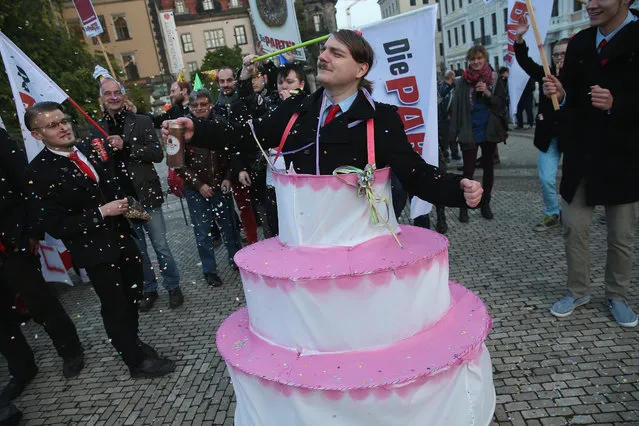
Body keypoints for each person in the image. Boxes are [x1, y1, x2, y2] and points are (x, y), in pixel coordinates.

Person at [164, 30, 483, 212]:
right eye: (324, 50)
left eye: (336, 53)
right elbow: (247, 136)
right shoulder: (296, 110)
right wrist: (198, 129)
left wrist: (458, 189)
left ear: (361, 69)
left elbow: (416, 174)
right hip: (304, 244)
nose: (323, 56)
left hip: (358, 249)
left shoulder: (381, 119)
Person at [24, 101, 176, 376]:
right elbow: (55, 225)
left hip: (123, 239)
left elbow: (114, 187)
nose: (63, 128)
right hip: (94, 251)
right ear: (37, 134)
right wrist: (100, 213)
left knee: (132, 296)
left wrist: (141, 216)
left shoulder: (86, 150)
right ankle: (135, 362)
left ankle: (133, 342)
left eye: (64, 121)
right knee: (115, 306)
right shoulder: (38, 171)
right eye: (52, 125)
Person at [542, 0, 639, 327]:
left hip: (624, 157)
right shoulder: (581, 41)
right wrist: (563, 92)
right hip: (582, 155)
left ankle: (617, 294)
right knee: (574, 225)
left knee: (621, 235)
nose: (591, 4)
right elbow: (572, 99)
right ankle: (578, 289)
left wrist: (617, 105)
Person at [0, 129, 85, 406]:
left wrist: (32, 231)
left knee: (39, 301)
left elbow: (27, 186)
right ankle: (21, 368)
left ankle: (70, 350)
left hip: (11, 242)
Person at [94, 78, 183, 312]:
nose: (113, 97)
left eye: (117, 93)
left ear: (123, 96)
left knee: (160, 245)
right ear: (102, 99)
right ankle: (149, 289)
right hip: (124, 201)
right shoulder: (98, 129)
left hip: (146, 196)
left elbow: (157, 154)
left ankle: (173, 286)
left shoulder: (141, 122)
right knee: (139, 250)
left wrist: (127, 145)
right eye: (108, 93)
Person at [180, 89, 243, 286]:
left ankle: (237, 260)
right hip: (196, 189)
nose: (199, 108)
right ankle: (209, 270)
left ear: (210, 105)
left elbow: (233, 152)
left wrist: (228, 178)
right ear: (189, 107)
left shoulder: (221, 124)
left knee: (229, 227)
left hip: (220, 184)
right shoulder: (181, 128)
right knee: (202, 232)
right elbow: (176, 163)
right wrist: (199, 185)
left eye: (203, 104)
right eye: (195, 105)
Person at [515, 18, 568, 232]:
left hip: (572, 136)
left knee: (574, 182)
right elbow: (525, 61)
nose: (558, 58)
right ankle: (552, 213)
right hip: (549, 138)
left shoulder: (580, 75)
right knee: (546, 179)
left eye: (563, 54)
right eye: (556, 54)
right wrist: (519, 37)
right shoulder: (546, 73)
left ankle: (571, 214)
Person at [449, 45, 508, 223]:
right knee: (468, 171)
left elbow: (501, 104)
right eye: (473, 59)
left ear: (485, 59)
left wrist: (488, 94)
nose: (476, 62)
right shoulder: (461, 82)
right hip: (469, 130)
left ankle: (485, 203)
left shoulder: (494, 78)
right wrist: (453, 136)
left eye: (479, 58)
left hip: (488, 129)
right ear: (469, 61)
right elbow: (456, 110)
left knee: (488, 167)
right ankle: (464, 206)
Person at [214, 67, 259, 246]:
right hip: (232, 165)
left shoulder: (245, 100)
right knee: (244, 208)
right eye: (222, 81)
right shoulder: (216, 109)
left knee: (262, 207)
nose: (226, 85)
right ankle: (253, 245)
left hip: (254, 159)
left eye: (229, 80)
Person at [438, 70, 459, 162]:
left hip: (449, 115)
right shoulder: (445, 87)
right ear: (452, 77)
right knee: (446, 136)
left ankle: (453, 153)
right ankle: (447, 154)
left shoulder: (448, 87)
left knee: (451, 135)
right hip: (445, 116)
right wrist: (447, 114)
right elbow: (444, 102)